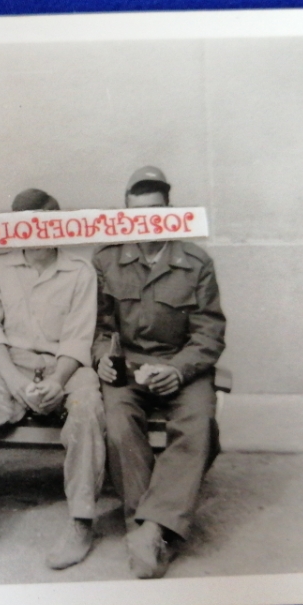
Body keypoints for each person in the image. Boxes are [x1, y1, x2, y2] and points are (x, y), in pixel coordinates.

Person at [0, 188, 106, 571]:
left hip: (66, 364)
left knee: (87, 408)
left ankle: (82, 521)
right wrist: (15, 382)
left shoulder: (80, 271)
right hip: (8, 363)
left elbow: (80, 337)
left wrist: (58, 381)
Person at [92, 166, 226, 579]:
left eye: (155, 210)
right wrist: (102, 357)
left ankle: (149, 527)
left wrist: (179, 371)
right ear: (126, 213)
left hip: (182, 365)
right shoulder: (107, 260)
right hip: (128, 367)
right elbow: (98, 328)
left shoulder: (196, 262)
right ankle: (150, 524)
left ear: (170, 210)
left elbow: (210, 332)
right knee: (116, 423)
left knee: (199, 423)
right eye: (136, 212)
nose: (145, 219)